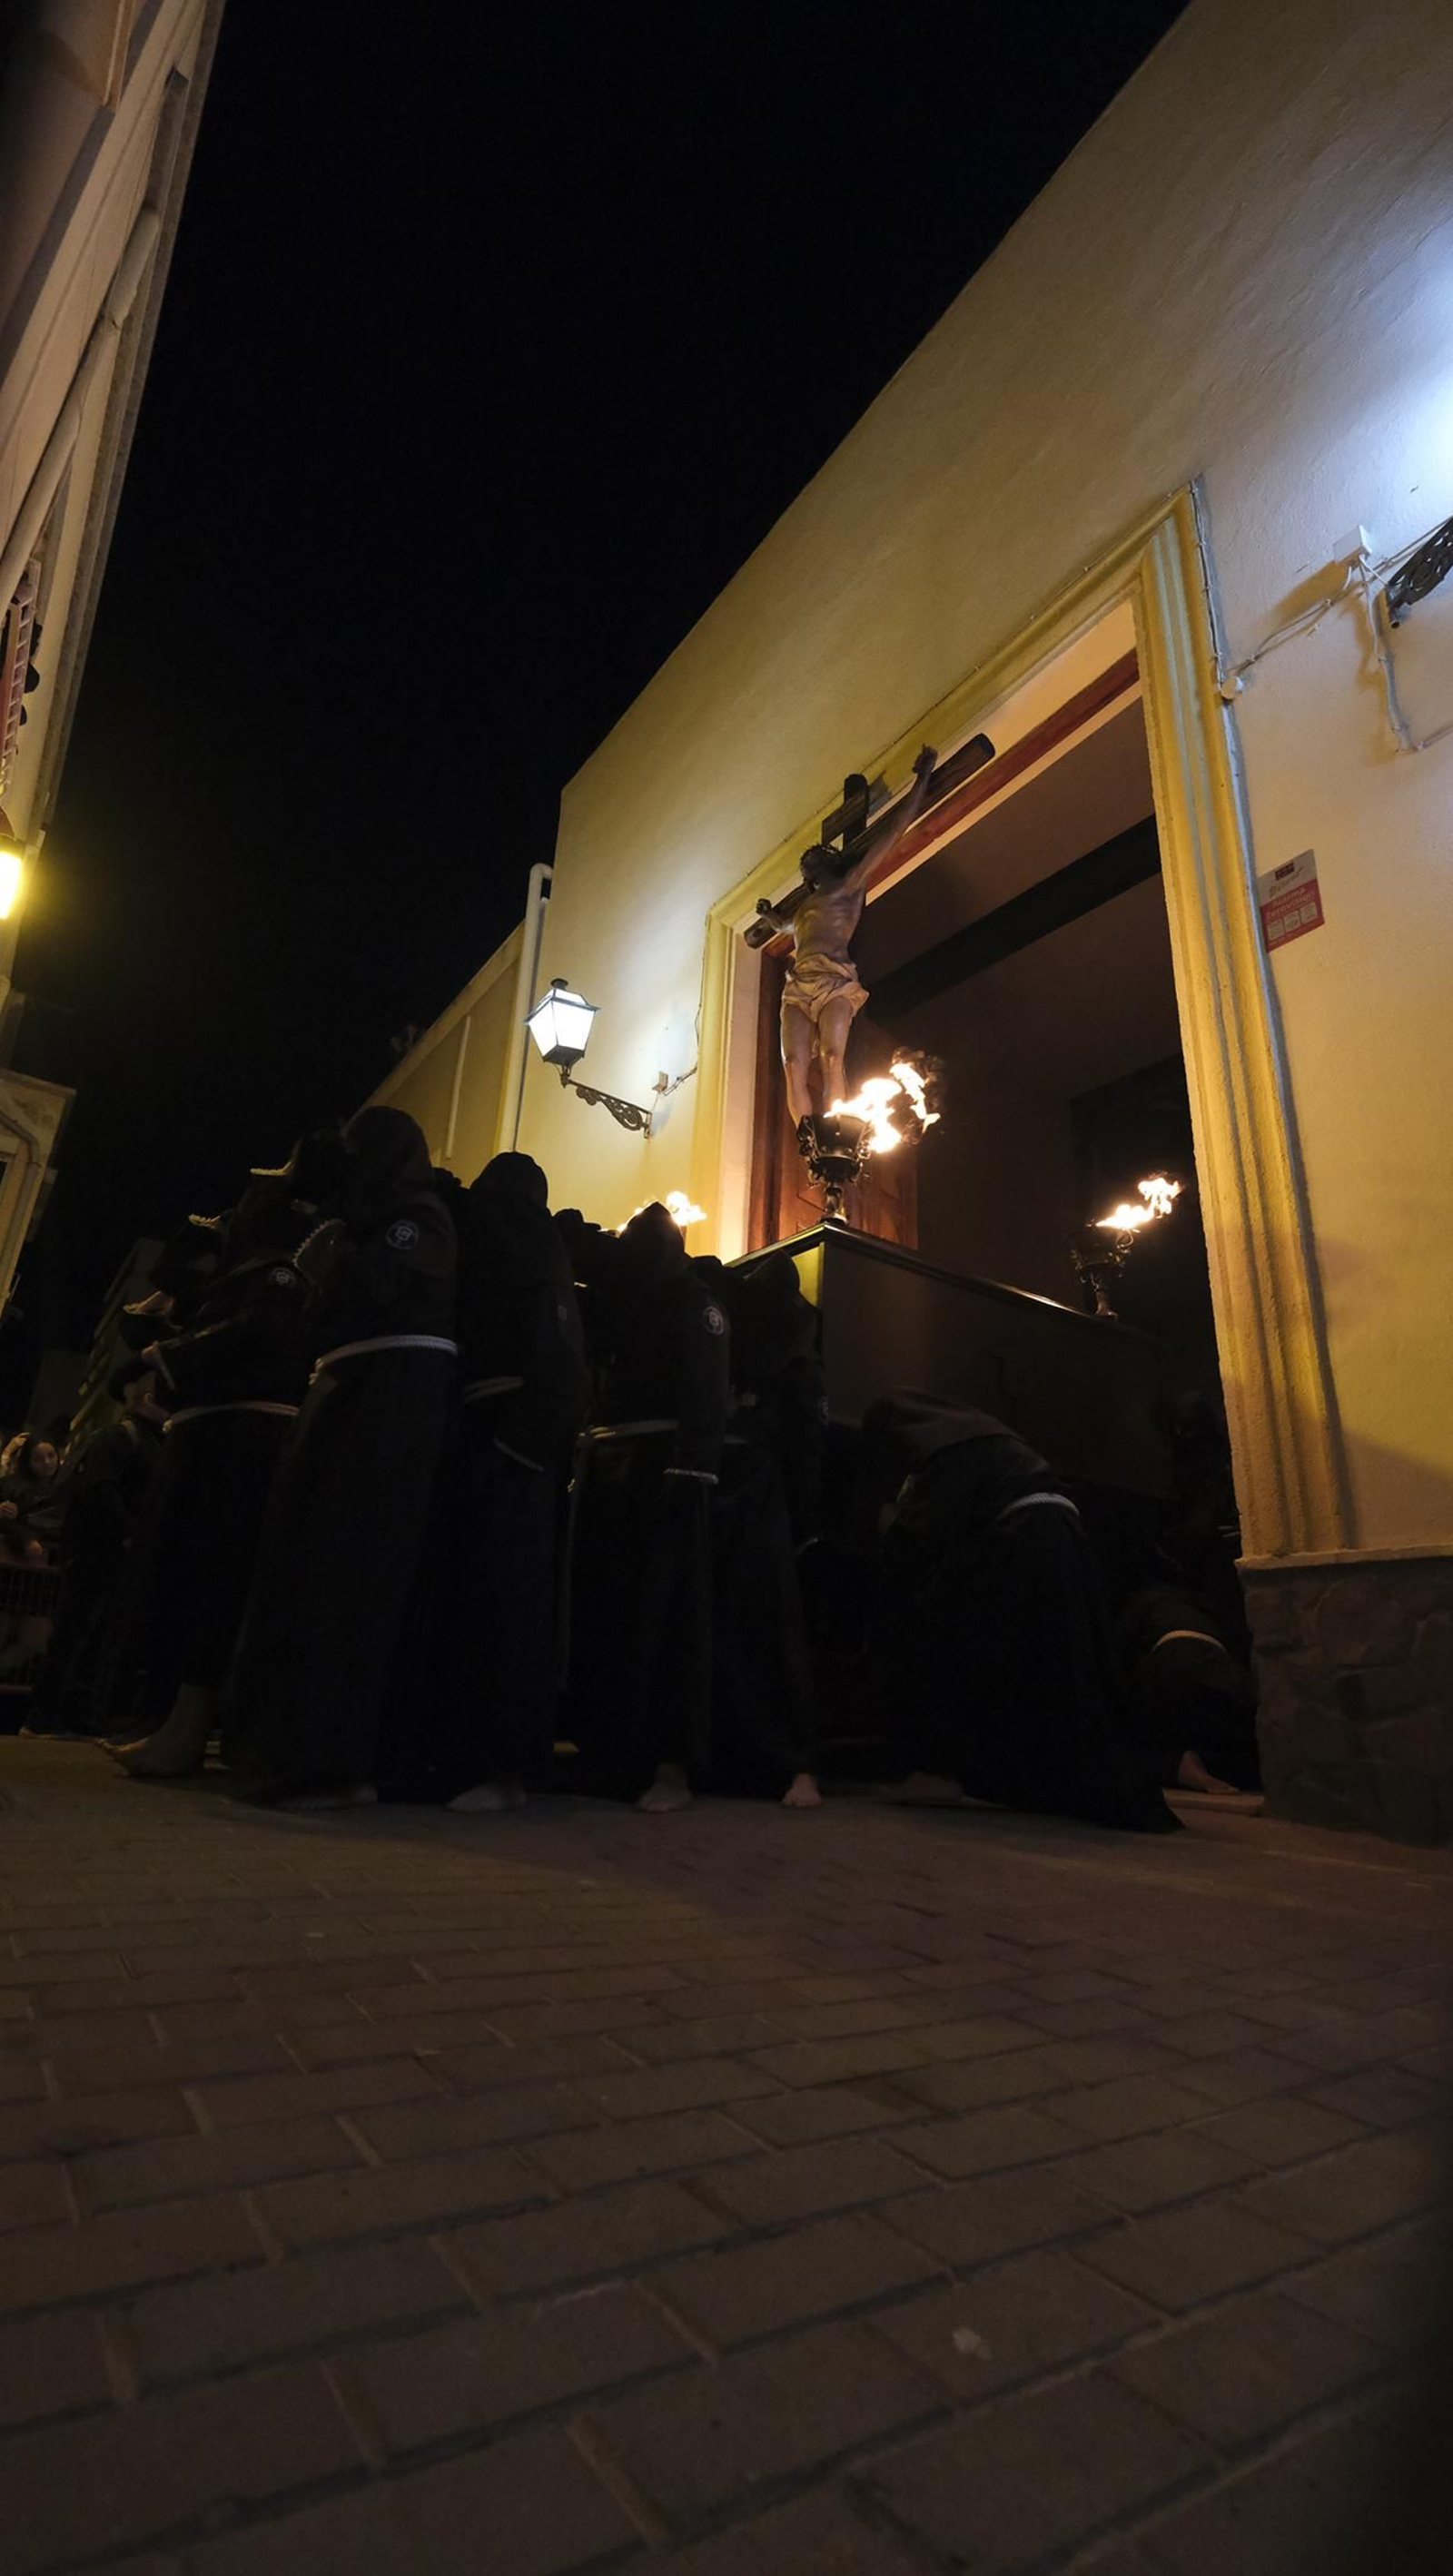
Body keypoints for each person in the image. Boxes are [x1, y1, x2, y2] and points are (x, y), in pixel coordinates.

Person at [222, 1105, 458, 1810]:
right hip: (351, 1395)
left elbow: (374, 1285)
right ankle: (292, 1750)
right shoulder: (368, 1220)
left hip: (386, 1404)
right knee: (313, 1569)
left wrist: (332, 1251)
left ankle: (335, 1761)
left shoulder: (419, 1217)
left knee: (352, 1576)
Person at [864, 1391, 1178, 1832]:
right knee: (1059, 1667)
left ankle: (940, 1771)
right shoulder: (984, 1437)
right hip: (1060, 1537)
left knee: (946, 1641)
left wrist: (890, 1527)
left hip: (1021, 1541)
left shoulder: (943, 1451)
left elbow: (920, 1540)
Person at [107, 1169, 322, 1777]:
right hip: (214, 1438)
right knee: (186, 1579)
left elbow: (253, 1337)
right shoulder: (242, 1276)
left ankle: (188, 1729)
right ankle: (173, 1722)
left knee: (212, 1582)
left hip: (239, 1445)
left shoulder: (278, 1274)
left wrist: (165, 1353)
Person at [414, 1151, 588, 1812]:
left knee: (504, 1601)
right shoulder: (530, 1237)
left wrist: (519, 1442)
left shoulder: (523, 1236)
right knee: (485, 1597)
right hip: (500, 1431)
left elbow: (554, 1349)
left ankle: (503, 1766)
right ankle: (474, 1757)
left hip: (508, 1434)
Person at [566, 1201, 728, 1811]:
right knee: (611, 1612)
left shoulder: (694, 1303)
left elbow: (705, 1388)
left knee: (666, 1618)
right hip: (614, 1470)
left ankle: (670, 1766)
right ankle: (610, 1753)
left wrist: (689, 1472)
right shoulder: (626, 1301)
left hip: (664, 1469)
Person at [754, 746, 939, 1133]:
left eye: (815, 858)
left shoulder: (849, 886)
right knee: (793, 1065)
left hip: (835, 980)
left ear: (830, 861)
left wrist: (922, 779)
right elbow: (787, 928)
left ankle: (835, 1133)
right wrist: (771, 917)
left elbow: (892, 834)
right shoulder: (803, 908)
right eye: (806, 864)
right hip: (798, 986)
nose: (809, 864)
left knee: (832, 1057)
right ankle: (811, 1144)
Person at [711, 1253, 824, 1806]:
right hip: (765, 1494)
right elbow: (806, 1445)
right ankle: (787, 1763)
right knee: (769, 1628)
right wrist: (806, 1524)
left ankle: (736, 1754)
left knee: (731, 1624)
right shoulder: (798, 1349)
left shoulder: (738, 1332)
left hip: (728, 1484)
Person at [21, 1372, 167, 1738]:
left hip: (114, 1552)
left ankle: (74, 1710)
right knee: (78, 1630)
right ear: (145, 1398)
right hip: (99, 1552)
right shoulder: (119, 1437)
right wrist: (131, 1533)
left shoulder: (145, 1440)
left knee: (95, 1633)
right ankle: (50, 1712)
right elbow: (101, 1489)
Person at [1116, 1581, 1261, 1795]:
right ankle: (1195, 1765)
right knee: (1244, 1747)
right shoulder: (1204, 1606)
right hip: (1223, 1673)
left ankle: (1176, 1766)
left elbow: (1119, 1661)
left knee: (1124, 1748)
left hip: (1170, 1666)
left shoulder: (1142, 1601)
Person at [0, 1433, 65, 1561]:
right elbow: (6, 1523)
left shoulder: (67, 1487)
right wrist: (26, 1538)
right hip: (14, 1557)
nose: (47, 1462)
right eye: (38, 1459)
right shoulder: (10, 1486)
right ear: (28, 1462)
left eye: (51, 1456)